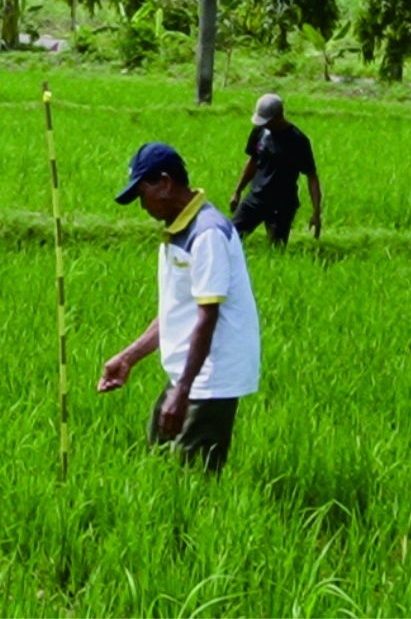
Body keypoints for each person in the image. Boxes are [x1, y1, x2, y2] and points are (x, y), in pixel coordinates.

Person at [98, 142, 261, 473]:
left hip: (211, 377)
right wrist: (129, 357)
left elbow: (207, 317)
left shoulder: (207, 234)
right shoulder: (178, 231)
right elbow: (176, 311)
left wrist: (183, 390)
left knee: (192, 476)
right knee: (159, 458)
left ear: (165, 182)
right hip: (188, 371)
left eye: (143, 194)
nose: (142, 206)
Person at [229, 93, 322, 244]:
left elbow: (312, 176)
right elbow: (252, 161)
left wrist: (316, 212)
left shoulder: (298, 140)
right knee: (229, 239)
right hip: (256, 198)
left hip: (281, 205)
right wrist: (237, 191)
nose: (263, 124)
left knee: (276, 249)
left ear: (277, 117)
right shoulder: (260, 131)